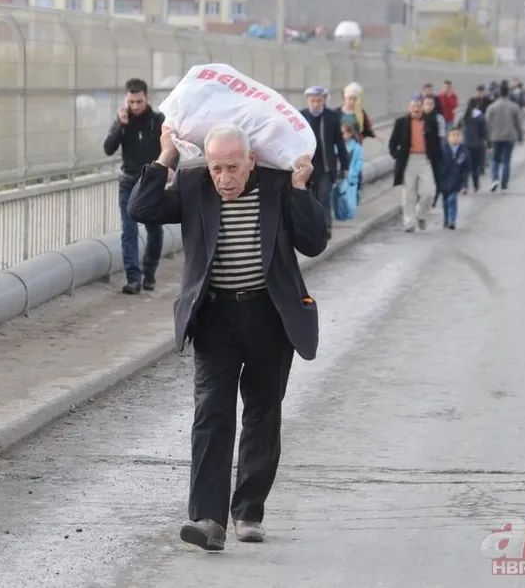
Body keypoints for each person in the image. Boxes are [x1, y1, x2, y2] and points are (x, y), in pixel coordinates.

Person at [127, 123, 328, 551]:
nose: (224, 178)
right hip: (216, 316)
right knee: (211, 414)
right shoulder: (194, 183)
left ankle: (249, 510)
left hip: (269, 315)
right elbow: (141, 209)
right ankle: (208, 519)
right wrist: (166, 157)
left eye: (233, 167)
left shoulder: (277, 185)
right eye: (217, 168)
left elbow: (314, 241)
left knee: (262, 412)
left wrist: (299, 188)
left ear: (251, 160)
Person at [102, 78, 167, 294]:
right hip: (129, 182)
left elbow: (171, 148)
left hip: (152, 183)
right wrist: (120, 126)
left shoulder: (157, 121)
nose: (135, 106)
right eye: (131, 102)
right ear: (126, 100)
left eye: (139, 101)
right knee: (128, 230)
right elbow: (108, 149)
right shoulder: (123, 121)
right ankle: (133, 278)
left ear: (147, 98)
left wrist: (169, 170)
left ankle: (149, 273)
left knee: (154, 231)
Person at [389, 96, 442, 232]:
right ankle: (409, 222)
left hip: (425, 159)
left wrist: (437, 158)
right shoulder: (401, 122)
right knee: (409, 194)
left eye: (419, 106)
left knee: (429, 192)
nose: (416, 109)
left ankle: (421, 214)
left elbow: (436, 142)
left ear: (422, 107)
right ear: (409, 108)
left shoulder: (430, 122)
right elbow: (392, 143)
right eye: (413, 106)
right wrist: (397, 155)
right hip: (409, 159)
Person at [299, 86, 348, 228]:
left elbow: (339, 142)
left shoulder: (332, 117)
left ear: (324, 100)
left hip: (326, 166)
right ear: (308, 100)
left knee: (324, 197)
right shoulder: (301, 116)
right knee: (309, 198)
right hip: (307, 166)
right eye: (313, 101)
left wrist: (345, 165)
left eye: (318, 101)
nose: (315, 104)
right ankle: (311, 227)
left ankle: (325, 227)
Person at [484, 81, 524, 191]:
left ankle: (494, 179)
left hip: (495, 137)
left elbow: (487, 123)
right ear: (508, 93)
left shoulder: (491, 107)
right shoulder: (514, 107)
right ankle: (504, 183)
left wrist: (487, 137)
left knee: (495, 159)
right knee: (506, 160)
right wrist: (520, 136)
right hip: (509, 137)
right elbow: (518, 123)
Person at [438, 124, 471, 230]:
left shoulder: (464, 152)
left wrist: (465, 184)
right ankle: (446, 219)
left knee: (452, 199)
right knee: (445, 201)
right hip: (444, 180)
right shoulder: (443, 150)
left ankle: (452, 220)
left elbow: (467, 169)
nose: (456, 137)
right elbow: (438, 165)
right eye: (453, 135)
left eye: (458, 135)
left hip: (457, 180)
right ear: (448, 138)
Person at [333, 123, 364, 221]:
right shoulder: (336, 146)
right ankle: (340, 214)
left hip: (350, 176)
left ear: (350, 133)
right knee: (337, 196)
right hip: (338, 175)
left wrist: (354, 173)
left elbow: (359, 161)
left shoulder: (356, 147)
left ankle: (349, 213)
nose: (342, 136)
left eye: (343, 133)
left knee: (349, 197)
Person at [462, 108, 488, 193]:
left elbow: (459, 127)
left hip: (466, 144)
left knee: (465, 167)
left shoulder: (464, 117)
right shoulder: (480, 118)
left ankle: (464, 186)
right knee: (475, 167)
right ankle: (476, 185)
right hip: (477, 145)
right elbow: (484, 132)